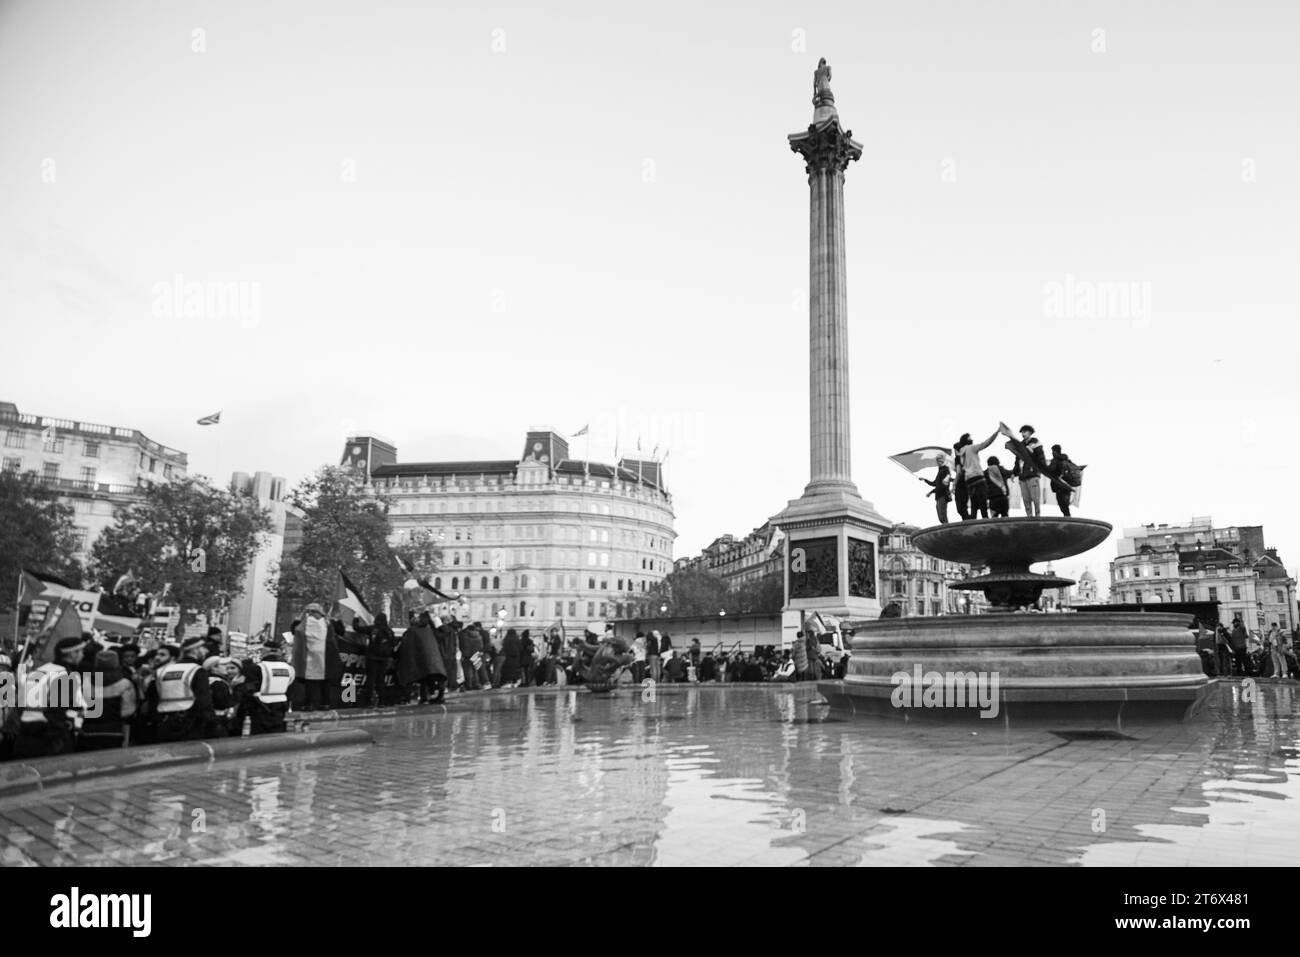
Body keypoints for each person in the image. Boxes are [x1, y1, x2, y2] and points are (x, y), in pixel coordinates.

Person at [14, 637, 87, 758]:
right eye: (80, 651)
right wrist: (60, 737)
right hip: (46, 738)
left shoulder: (39, 671)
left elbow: (20, 704)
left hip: (24, 734)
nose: (83, 655)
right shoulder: (65, 676)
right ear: (72, 654)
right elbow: (57, 711)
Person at [155, 635, 215, 742]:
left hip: (164, 722)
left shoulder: (163, 670)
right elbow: (203, 701)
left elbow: (153, 697)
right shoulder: (197, 670)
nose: (206, 651)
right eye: (204, 647)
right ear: (196, 650)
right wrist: (211, 723)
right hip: (190, 724)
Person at [78, 649, 137, 751]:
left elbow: (79, 707)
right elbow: (128, 710)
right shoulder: (124, 683)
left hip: (88, 729)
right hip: (115, 729)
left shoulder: (85, 682)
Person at [235, 636, 295, 734]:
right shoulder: (289, 668)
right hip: (281, 706)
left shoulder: (258, 668)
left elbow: (249, 689)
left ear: (264, 651)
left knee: (260, 737)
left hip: (260, 707)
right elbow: (290, 688)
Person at [397, 611, 448, 703]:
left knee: (421, 676)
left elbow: (405, 645)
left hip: (420, 659)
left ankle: (416, 697)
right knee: (436, 676)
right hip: (435, 658)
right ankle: (437, 695)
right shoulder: (430, 630)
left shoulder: (412, 631)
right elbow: (444, 635)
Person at [292, 603, 331, 711]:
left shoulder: (307, 621)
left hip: (310, 654)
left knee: (311, 681)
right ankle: (325, 703)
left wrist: (300, 617)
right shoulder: (327, 622)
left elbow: (295, 630)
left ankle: (309, 704)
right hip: (325, 655)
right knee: (324, 680)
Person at [955, 429, 1000, 520]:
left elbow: (960, 469)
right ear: (967, 440)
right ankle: (985, 520)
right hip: (977, 476)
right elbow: (986, 443)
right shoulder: (971, 448)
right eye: (970, 437)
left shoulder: (960, 453)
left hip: (969, 479)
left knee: (974, 503)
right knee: (982, 500)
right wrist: (996, 432)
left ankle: (973, 521)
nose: (972, 439)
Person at [1009, 425, 1047, 517]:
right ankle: (1029, 516)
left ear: (1030, 432)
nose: (1022, 434)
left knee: (1035, 498)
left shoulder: (1035, 443)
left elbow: (1041, 458)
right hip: (1022, 476)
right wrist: (1014, 473)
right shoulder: (1020, 445)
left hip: (1033, 475)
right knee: (1026, 499)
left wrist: (1039, 470)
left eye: (1024, 432)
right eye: (1021, 432)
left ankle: (1037, 516)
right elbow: (1017, 461)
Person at [361, 613, 397, 706]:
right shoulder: (389, 631)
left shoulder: (373, 629)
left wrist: (356, 619)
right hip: (384, 659)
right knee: (381, 681)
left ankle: (368, 702)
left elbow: (357, 628)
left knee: (371, 680)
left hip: (372, 658)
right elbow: (393, 644)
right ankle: (382, 702)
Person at [1047, 445, 1080, 517]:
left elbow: (1050, 470)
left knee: (1062, 504)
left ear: (1055, 451)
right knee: (1065, 505)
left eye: (1053, 451)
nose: (1052, 453)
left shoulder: (1055, 460)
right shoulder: (1066, 460)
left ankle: (1067, 518)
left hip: (1059, 486)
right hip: (1067, 486)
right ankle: (1067, 517)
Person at [922, 454, 953, 524]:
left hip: (943, 495)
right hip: (938, 496)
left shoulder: (946, 470)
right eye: (938, 460)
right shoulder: (940, 471)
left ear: (943, 461)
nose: (938, 462)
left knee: (943, 516)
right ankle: (945, 529)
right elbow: (934, 484)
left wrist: (931, 492)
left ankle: (947, 530)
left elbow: (942, 486)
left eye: (940, 460)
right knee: (940, 517)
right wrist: (925, 480)